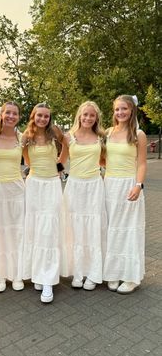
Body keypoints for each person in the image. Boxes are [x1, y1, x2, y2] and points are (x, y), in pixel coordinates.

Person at [59, 101, 107, 290]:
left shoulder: (102, 137)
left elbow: (105, 160)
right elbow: (61, 162)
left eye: (92, 115)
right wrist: (41, 173)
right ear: (79, 115)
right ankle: (78, 272)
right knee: (76, 229)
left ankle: (93, 273)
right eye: (85, 114)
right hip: (75, 187)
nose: (88, 118)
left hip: (95, 186)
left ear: (96, 118)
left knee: (93, 228)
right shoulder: (68, 137)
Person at [22, 103, 66, 303]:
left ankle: (48, 278)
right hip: (34, 185)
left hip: (52, 184)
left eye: (46, 116)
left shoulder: (54, 131)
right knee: (34, 228)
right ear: (33, 116)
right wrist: (32, 167)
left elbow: (67, 145)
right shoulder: (26, 135)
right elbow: (24, 157)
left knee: (49, 230)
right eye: (39, 115)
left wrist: (59, 164)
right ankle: (37, 272)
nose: (43, 119)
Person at [103, 94, 147, 294]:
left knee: (128, 230)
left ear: (132, 111)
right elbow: (102, 158)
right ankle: (113, 272)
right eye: (117, 109)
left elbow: (142, 163)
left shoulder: (139, 134)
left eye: (124, 109)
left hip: (129, 185)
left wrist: (138, 185)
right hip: (109, 185)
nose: (120, 112)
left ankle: (131, 276)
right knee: (111, 229)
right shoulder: (108, 133)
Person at [0, 101, 25, 292]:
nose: (11, 116)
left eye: (15, 114)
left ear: (19, 117)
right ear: (1, 114)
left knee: (17, 231)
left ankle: (17, 273)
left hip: (17, 189)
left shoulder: (22, 137)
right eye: (7, 113)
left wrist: (58, 170)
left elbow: (39, 157)